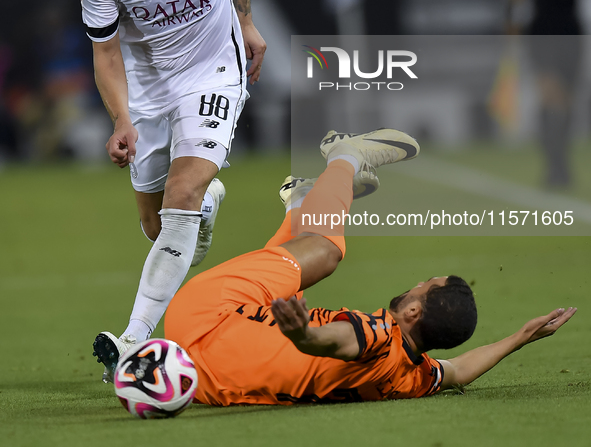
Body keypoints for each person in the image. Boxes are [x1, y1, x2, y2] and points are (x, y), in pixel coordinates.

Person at [161, 129, 576, 405]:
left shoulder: (379, 336)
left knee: (324, 252)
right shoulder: (411, 377)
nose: (415, 283)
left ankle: (345, 158)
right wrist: (520, 337)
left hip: (206, 316)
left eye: (424, 285)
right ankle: (305, 201)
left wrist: (304, 334)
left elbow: (333, 342)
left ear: (414, 312)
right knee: (289, 291)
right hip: (197, 377)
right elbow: (459, 370)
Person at [76, 0, 266, 382]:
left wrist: (245, 18)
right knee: (156, 224)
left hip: (214, 75)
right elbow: (107, 54)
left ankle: (135, 339)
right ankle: (203, 208)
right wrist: (121, 120)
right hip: (147, 93)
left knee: (181, 191)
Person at [506, 0, 591, 186]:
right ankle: (554, 164)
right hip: (540, 30)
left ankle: (560, 162)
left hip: (570, 29)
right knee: (549, 94)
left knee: (567, 102)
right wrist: (511, 18)